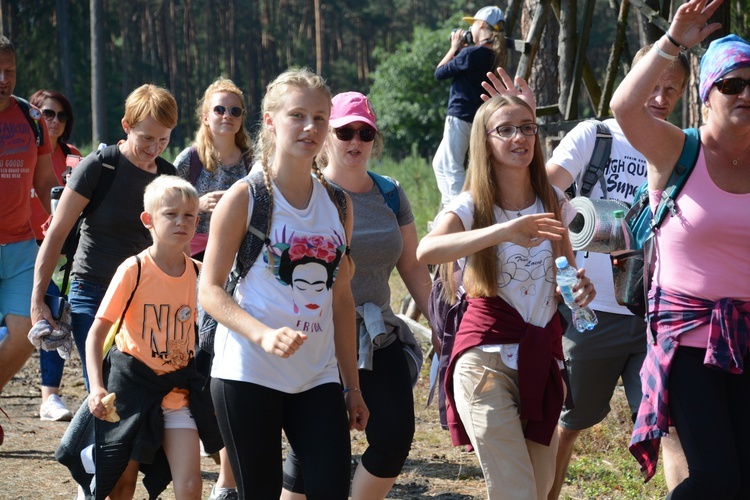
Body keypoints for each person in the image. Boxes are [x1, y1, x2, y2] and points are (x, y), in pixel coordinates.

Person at [198, 68, 369, 499]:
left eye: (320, 117)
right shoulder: (245, 197)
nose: (311, 127)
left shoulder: (337, 203)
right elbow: (210, 290)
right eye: (298, 115)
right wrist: (264, 334)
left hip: (318, 378)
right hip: (247, 373)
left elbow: (342, 298)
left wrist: (352, 386)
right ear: (271, 120)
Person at [416, 91, 596, 500]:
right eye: (507, 129)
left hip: (542, 359)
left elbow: (566, 275)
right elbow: (426, 250)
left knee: (538, 487)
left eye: (528, 128)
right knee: (515, 490)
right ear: (485, 141)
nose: (520, 138)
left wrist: (579, 291)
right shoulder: (472, 204)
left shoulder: (552, 200)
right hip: (484, 363)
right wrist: (504, 231)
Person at [610, 0, 750, 496]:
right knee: (716, 479)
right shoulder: (678, 149)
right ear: (707, 94)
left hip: (747, 335)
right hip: (687, 340)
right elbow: (624, 108)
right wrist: (671, 42)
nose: (744, 94)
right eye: (732, 84)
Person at [543, 45, 690, 498]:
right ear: (634, 78)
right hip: (592, 316)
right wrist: (569, 279)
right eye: (653, 84)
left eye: (672, 90)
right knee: (570, 422)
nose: (661, 97)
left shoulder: (684, 148)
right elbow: (542, 194)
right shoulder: (596, 136)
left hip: (657, 317)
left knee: (670, 426)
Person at [280, 92, 433, 500]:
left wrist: (442, 323)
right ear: (327, 135)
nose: (355, 141)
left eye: (365, 133)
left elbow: (414, 265)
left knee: (395, 437)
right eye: (345, 131)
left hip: (378, 331)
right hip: (319, 335)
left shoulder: (389, 192)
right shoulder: (308, 193)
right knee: (313, 449)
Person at [30, 84, 178, 392]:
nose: (155, 147)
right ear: (126, 126)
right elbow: (56, 235)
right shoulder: (100, 166)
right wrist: (37, 301)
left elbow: (175, 246)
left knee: (138, 390)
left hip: (143, 296)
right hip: (92, 291)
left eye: (163, 139)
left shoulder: (168, 175)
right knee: (103, 388)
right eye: (147, 138)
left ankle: (100, 443)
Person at [81, 175, 217, 499]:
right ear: (149, 220)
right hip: (129, 393)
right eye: (170, 214)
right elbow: (97, 333)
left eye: (188, 216)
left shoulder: (200, 274)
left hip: (176, 393)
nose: (180, 222)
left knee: (190, 484)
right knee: (121, 485)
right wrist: (97, 387)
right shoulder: (134, 269)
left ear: (198, 222)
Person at [0, 36, 58, 411]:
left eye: (10, 71)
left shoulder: (31, 118)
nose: (3, 79)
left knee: (25, 335)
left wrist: (63, 219)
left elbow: (45, 182)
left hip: (22, 249)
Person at [29, 89, 82, 422]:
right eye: (48, 113)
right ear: (33, 114)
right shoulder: (20, 150)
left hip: (57, 248)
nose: (56, 121)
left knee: (52, 316)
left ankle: (50, 397)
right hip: (19, 243)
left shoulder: (73, 155)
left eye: (62, 115)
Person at [433, 5, 508, 208]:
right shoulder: (495, 56)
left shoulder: (469, 55)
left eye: (472, 24)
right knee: (440, 163)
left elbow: (439, 72)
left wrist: (454, 48)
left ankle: (457, 212)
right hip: (477, 118)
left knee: (452, 166)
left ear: (482, 25)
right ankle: (448, 206)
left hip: (459, 115)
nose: (469, 29)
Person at [175, 77, 252, 262]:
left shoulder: (253, 161)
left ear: (241, 118)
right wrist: (197, 205)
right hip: (191, 254)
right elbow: (164, 203)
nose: (227, 116)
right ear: (206, 118)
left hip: (238, 253)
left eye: (235, 111)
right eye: (219, 110)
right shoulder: (190, 158)